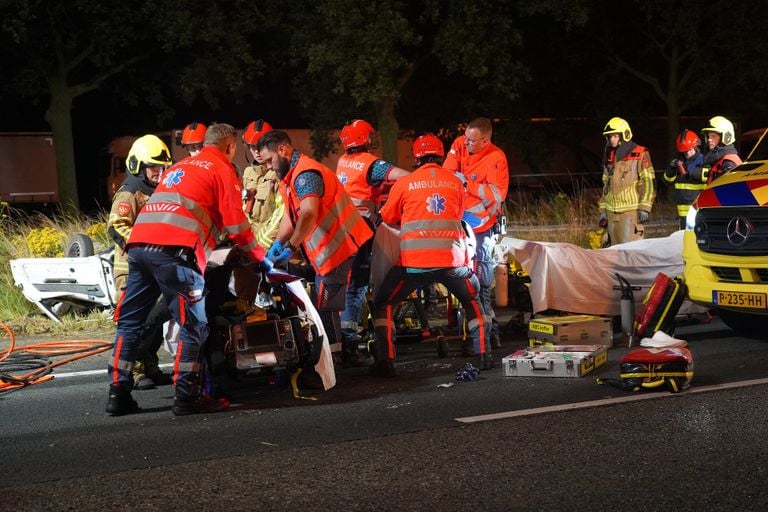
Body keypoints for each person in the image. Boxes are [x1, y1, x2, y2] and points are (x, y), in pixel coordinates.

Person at [106, 123, 270, 417]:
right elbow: (236, 224)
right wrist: (259, 255)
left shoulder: (179, 168)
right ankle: (186, 396)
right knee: (194, 324)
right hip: (175, 253)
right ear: (230, 147)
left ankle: (117, 394)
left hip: (140, 247)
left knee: (130, 323)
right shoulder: (223, 169)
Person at [372, 134, 488, 377]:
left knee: (384, 302)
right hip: (452, 263)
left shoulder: (405, 183)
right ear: (441, 154)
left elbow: (388, 217)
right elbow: (458, 214)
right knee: (471, 300)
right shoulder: (455, 183)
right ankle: (484, 353)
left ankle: (386, 361)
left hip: (414, 266)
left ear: (416, 157)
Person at [256, 130, 374, 368]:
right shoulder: (290, 177)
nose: (268, 167)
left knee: (326, 306)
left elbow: (309, 212)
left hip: (342, 247)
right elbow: (291, 217)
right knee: (325, 303)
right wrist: (277, 244)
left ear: (283, 150)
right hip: (329, 250)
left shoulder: (305, 175)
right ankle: (336, 355)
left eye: (270, 160)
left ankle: (335, 360)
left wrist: (291, 246)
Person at [108, 134, 174, 391]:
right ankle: (134, 373)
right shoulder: (129, 193)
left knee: (155, 321)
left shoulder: (160, 192)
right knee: (134, 322)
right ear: (137, 166)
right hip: (130, 269)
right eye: (154, 168)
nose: (159, 173)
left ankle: (151, 366)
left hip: (156, 267)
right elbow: (116, 227)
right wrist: (144, 249)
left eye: (162, 168)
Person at [335, 119, 410, 346]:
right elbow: (404, 176)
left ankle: (341, 339)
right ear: (365, 139)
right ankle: (349, 342)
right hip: (361, 228)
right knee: (357, 285)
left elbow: (360, 187)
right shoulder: (370, 164)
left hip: (341, 228)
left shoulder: (343, 161)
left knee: (344, 283)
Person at [442, 117, 508, 351]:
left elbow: (497, 194)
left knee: (481, 284)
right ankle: (483, 335)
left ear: (485, 140)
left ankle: (487, 337)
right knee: (466, 284)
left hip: (481, 228)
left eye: (472, 141)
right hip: (460, 226)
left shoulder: (496, 158)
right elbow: (447, 174)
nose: (465, 143)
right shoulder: (460, 144)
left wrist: (467, 185)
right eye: (466, 138)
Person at [598, 117, 656, 245]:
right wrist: (602, 211)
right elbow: (605, 186)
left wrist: (645, 207)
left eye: (614, 136)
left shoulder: (640, 153)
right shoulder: (610, 156)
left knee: (630, 253)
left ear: (625, 135)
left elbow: (649, 182)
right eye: (609, 137)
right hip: (611, 214)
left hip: (630, 213)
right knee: (613, 253)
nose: (611, 139)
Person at [242, 119, 280, 235]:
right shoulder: (248, 172)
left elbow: (282, 214)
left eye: (261, 146)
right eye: (253, 147)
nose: (257, 152)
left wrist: (264, 242)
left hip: (270, 241)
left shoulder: (278, 173)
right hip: (250, 240)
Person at [664, 129, 705, 230]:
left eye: (688, 150)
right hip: (682, 212)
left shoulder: (702, 160)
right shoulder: (680, 161)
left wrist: (690, 172)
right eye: (684, 152)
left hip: (697, 209)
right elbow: (666, 181)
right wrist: (671, 169)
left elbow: (705, 176)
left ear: (695, 147)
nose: (686, 154)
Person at [696, 115, 742, 185]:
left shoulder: (729, 162)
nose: (709, 139)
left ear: (726, 137)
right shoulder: (717, 158)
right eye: (708, 136)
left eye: (713, 136)